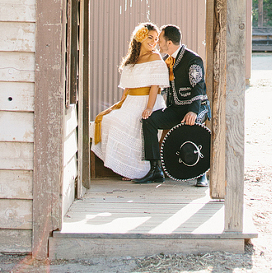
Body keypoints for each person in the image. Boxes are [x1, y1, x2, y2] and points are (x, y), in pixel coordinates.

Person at [91, 23, 170, 180]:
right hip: (131, 102)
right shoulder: (132, 60)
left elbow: (155, 86)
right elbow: (127, 89)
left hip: (149, 101)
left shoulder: (155, 57)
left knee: (127, 123)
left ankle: (135, 170)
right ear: (140, 37)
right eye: (150, 37)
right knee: (109, 119)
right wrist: (120, 106)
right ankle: (122, 165)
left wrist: (149, 108)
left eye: (155, 39)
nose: (153, 42)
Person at [136, 24, 212, 185]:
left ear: (169, 42)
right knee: (149, 120)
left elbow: (198, 89)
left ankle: (201, 173)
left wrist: (192, 111)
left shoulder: (193, 59)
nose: (158, 44)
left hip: (198, 107)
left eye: (161, 40)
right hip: (176, 109)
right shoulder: (166, 60)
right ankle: (156, 169)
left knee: (194, 123)